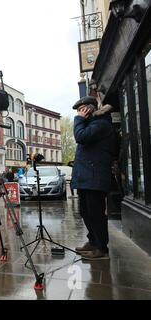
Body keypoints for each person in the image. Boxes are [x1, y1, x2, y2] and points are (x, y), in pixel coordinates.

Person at [71, 94, 116, 260]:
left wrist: (78, 120)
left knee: (96, 213)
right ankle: (93, 241)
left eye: (81, 110)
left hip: (95, 176)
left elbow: (80, 137)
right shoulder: (91, 124)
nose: (79, 113)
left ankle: (102, 247)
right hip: (86, 177)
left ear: (88, 109)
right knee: (85, 212)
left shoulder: (101, 124)